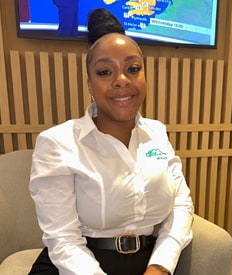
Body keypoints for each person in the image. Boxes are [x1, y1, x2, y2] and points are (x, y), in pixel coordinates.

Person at [28, 8, 193, 275]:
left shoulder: (157, 133)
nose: (122, 81)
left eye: (133, 69)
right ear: (90, 85)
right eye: (105, 72)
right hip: (76, 267)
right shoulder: (57, 143)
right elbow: (62, 240)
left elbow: (181, 206)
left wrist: (160, 266)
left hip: (149, 265)